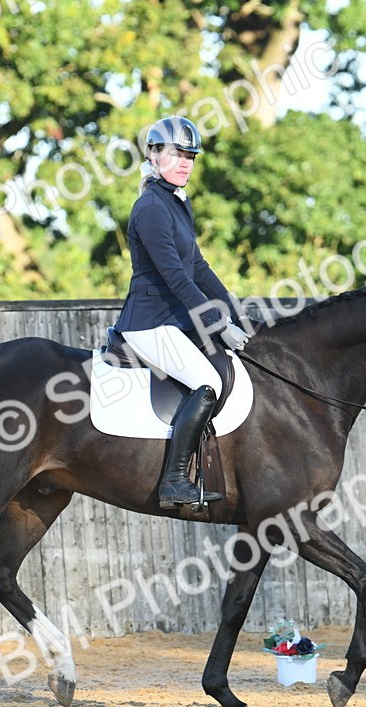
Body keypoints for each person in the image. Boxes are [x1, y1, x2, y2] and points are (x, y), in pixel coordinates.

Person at [112, 115, 252, 509]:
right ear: (154, 155)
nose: (185, 163)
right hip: (149, 322)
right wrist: (217, 322)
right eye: (176, 155)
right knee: (207, 383)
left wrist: (238, 314)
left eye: (190, 156)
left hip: (175, 321)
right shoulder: (151, 208)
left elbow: (200, 269)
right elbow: (175, 276)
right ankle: (174, 481)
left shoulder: (176, 203)